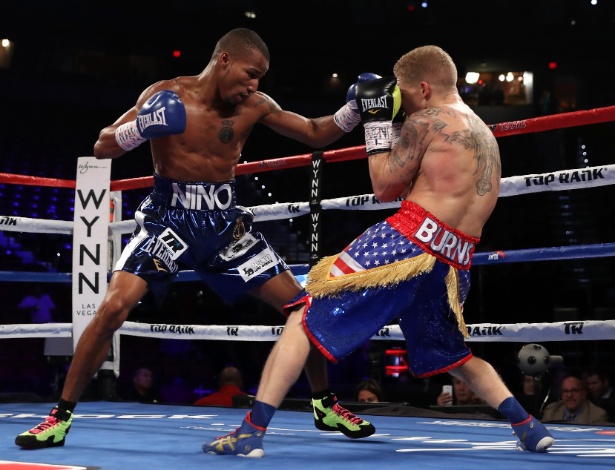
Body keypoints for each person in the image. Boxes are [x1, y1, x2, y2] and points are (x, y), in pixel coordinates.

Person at [14, 28, 376, 450]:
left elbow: (314, 132)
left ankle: (324, 403)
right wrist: (144, 126)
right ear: (224, 60)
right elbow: (102, 146)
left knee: (302, 307)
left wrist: (353, 110)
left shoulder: (255, 105)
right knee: (113, 306)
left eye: (260, 77)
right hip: (168, 221)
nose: (254, 85)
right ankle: (59, 417)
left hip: (225, 227)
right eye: (250, 73)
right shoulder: (166, 92)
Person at [204, 45, 554, 458]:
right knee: (455, 355)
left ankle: (251, 432)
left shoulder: (425, 121)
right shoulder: (483, 132)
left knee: (302, 316)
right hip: (453, 260)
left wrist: (376, 120)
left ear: (423, 88)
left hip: (406, 242)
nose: (400, 105)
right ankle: (527, 426)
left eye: (403, 95)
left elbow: (384, 186)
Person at [542, 375, 609, 424]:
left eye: (574, 391)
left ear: (584, 394)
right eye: (565, 391)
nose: (569, 395)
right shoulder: (551, 411)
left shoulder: (597, 415)